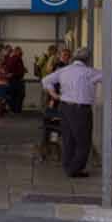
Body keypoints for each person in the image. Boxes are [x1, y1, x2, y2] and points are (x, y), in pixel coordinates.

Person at [41, 46, 103, 178]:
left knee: (68, 139)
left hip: (64, 107)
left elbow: (45, 80)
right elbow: (110, 78)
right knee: (83, 142)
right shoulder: (90, 72)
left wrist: (54, 95)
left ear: (74, 57)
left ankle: (68, 166)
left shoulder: (64, 70)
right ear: (88, 59)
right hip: (81, 110)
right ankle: (74, 169)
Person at [5, 46, 27, 114]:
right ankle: (15, 110)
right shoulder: (15, 58)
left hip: (16, 78)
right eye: (20, 51)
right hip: (15, 79)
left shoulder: (15, 58)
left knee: (16, 95)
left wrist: (23, 70)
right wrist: (17, 72)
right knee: (17, 95)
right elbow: (10, 68)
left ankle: (15, 109)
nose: (22, 53)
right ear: (16, 51)